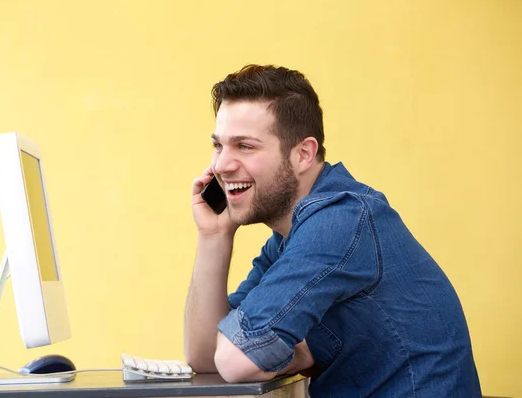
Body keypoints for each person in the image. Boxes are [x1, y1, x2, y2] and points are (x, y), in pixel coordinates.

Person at [184, 64, 481, 397]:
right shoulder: (288, 238)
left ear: (304, 154)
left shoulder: (339, 220)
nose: (222, 165)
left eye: (245, 146)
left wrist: (275, 352)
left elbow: (235, 360)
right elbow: (206, 356)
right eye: (219, 146)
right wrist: (214, 236)